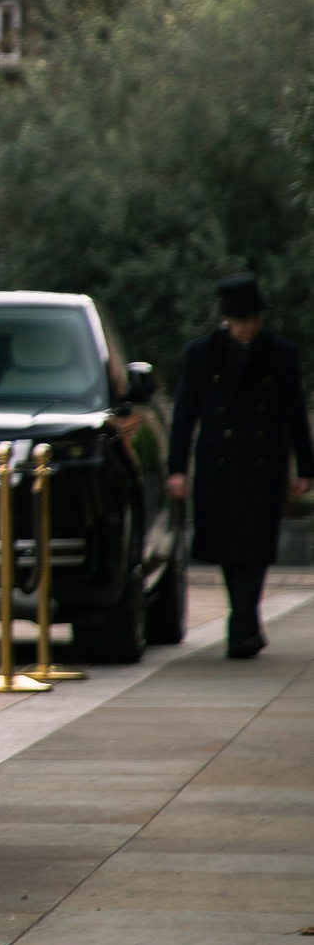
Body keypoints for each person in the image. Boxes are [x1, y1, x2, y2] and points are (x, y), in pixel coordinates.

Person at [167, 272, 314, 659]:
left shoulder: (280, 355)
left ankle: (242, 625)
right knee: (230, 550)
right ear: (227, 319)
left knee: (257, 547)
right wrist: (176, 468)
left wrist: (306, 467)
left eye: (254, 318)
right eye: (242, 319)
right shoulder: (200, 355)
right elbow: (185, 415)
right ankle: (246, 623)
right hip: (219, 465)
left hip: (263, 464)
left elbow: (294, 412)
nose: (249, 327)